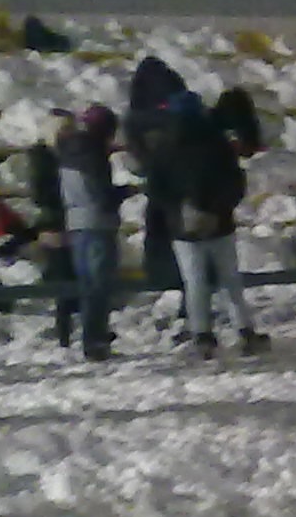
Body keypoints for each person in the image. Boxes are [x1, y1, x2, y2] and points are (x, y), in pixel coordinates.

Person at [166, 92, 267, 360]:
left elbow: (157, 188)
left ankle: (202, 334)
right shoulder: (218, 142)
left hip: (183, 228)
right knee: (230, 279)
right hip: (220, 223)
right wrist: (219, 208)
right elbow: (235, 183)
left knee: (195, 283)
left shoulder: (165, 146)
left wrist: (178, 210)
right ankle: (245, 330)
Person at [58, 104, 124, 361]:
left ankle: (91, 338)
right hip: (98, 223)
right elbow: (102, 195)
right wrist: (124, 192)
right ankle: (95, 340)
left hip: (75, 222)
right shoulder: (94, 154)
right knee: (99, 286)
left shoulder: (67, 151)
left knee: (87, 285)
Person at [124, 56, 187, 298]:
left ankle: (158, 277)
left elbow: (135, 148)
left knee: (157, 229)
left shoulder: (137, 110)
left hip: (157, 178)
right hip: (180, 177)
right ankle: (182, 280)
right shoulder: (175, 90)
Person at [25, 109, 82, 351]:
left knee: (75, 274)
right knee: (63, 275)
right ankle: (63, 331)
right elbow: (40, 193)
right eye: (65, 128)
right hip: (55, 221)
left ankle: (77, 327)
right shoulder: (42, 156)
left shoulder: (70, 153)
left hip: (73, 218)